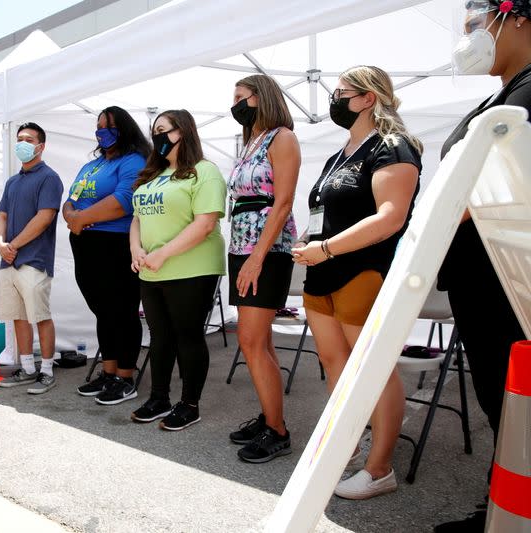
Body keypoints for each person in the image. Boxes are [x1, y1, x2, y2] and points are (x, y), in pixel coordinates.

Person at [291, 65, 422, 499]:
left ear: (368, 98)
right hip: (321, 273)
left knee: (373, 371)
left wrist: (326, 248)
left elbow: (390, 217)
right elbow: (326, 212)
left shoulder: (393, 146)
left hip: (361, 271)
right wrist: (312, 239)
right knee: (336, 363)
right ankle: (349, 439)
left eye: (342, 92)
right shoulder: (341, 152)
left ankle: (380, 467)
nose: (334, 99)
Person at [434, 2, 530, 531]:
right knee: (502, 400)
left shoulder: (528, 94)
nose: (469, 37)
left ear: (516, 15)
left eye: (476, 24)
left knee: (514, 401)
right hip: (483, 274)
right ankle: (504, 505)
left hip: (508, 277)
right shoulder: (503, 95)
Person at [129, 109, 226, 431]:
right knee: (159, 337)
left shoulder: (204, 171)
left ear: (182, 132)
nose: (155, 136)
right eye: (153, 130)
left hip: (191, 269)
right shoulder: (151, 176)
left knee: (188, 336)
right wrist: (136, 249)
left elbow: (205, 223)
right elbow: (137, 218)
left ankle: (189, 404)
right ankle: (159, 398)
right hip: (152, 270)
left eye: (162, 129)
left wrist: (163, 254)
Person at [225, 74, 301, 463]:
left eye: (241, 97)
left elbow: (283, 202)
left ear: (261, 97)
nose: (234, 103)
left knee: (250, 341)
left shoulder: (282, 137)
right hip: (243, 246)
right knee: (260, 340)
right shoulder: (250, 141)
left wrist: (257, 257)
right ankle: (270, 415)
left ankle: (278, 431)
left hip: (266, 251)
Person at [63, 106, 150, 405]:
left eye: (109, 126)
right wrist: (73, 216)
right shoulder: (93, 165)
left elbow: (124, 201)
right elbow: (71, 198)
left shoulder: (133, 161)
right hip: (86, 244)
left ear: (124, 129)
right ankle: (109, 372)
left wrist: (81, 217)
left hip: (115, 245)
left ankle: (126, 376)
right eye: (98, 126)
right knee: (103, 310)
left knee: (122, 310)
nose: (102, 131)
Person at [0, 122, 63, 394]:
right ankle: (27, 367)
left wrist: (12, 244)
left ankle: (46, 370)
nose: (22, 143)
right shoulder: (12, 182)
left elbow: (44, 218)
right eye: (19, 138)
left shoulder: (49, 178)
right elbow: (2, 217)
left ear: (40, 146)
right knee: (18, 318)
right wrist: (0, 243)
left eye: (28, 139)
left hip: (34, 260)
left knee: (40, 316)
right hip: (9, 261)